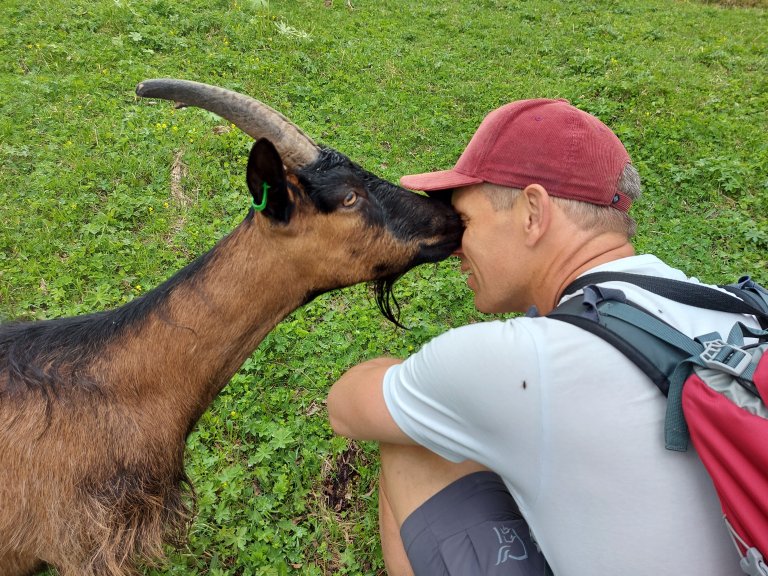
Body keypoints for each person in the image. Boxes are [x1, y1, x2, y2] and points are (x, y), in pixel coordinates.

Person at [327, 98, 751, 576]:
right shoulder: (730, 305)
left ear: (532, 212)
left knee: (412, 443)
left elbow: (345, 408)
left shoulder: (526, 360)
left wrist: (392, 369)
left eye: (463, 221)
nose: (454, 249)